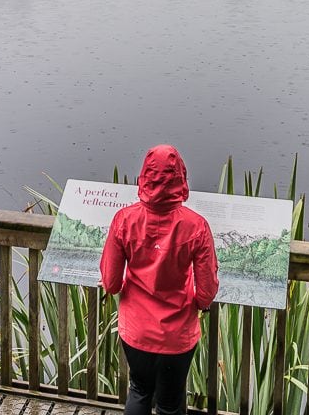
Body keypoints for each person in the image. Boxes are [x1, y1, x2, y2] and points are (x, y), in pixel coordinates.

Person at [100, 144, 219, 415]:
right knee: (170, 401)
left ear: (144, 177)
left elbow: (111, 282)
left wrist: (114, 284)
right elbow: (207, 290)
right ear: (181, 178)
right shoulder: (196, 226)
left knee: (139, 391)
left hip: (136, 330)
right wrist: (200, 303)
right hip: (177, 334)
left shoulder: (124, 220)